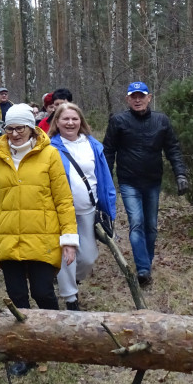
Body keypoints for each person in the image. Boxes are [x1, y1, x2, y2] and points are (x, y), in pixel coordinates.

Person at [0, 104, 78, 375]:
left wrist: (68, 238)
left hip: (43, 237)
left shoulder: (50, 155)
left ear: (31, 128)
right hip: (7, 239)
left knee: (43, 292)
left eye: (20, 128)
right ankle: (26, 352)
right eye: (9, 128)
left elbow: (64, 200)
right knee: (17, 297)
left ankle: (54, 340)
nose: (15, 134)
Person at [102, 81, 189, 288]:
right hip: (128, 180)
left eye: (142, 96)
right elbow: (108, 151)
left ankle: (146, 262)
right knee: (137, 223)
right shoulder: (118, 121)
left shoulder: (161, 120)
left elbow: (173, 148)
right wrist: (105, 180)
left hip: (152, 181)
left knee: (150, 225)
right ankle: (142, 268)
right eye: (134, 96)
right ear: (128, 99)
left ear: (149, 97)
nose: (138, 100)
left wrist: (181, 174)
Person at [48, 102, 116, 310]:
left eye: (74, 119)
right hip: (60, 212)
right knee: (66, 255)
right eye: (65, 119)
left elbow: (104, 179)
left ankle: (69, 281)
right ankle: (71, 299)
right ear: (57, 122)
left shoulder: (93, 146)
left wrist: (109, 209)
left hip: (88, 210)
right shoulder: (49, 148)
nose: (70, 123)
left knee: (87, 257)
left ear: (81, 121)